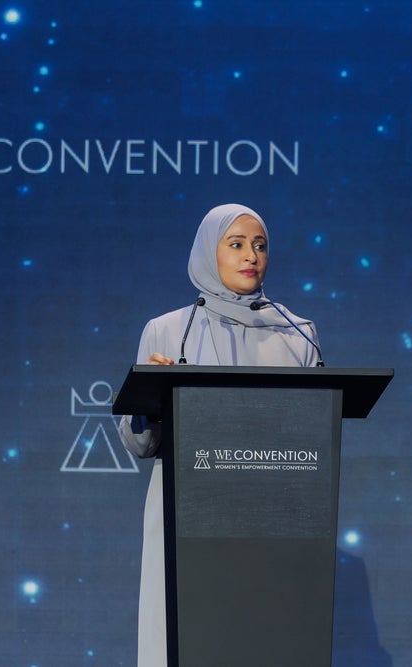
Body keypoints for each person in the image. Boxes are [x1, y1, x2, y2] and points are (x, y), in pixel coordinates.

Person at [118, 203, 321, 667]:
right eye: (236, 244)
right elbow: (139, 443)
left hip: (273, 522)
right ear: (209, 252)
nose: (251, 255)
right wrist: (148, 399)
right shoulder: (168, 331)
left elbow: (313, 437)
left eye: (260, 245)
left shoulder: (299, 335)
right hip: (188, 519)